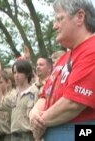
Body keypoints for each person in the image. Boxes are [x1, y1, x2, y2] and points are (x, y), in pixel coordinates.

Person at [29, 0, 95, 141]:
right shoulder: (63, 58)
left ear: (80, 17)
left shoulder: (92, 50)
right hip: (54, 130)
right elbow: (45, 95)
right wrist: (33, 113)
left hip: (79, 131)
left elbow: (73, 103)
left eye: (59, 19)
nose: (54, 26)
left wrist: (39, 123)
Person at [1, 60, 39, 141]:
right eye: (14, 72)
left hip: (29, 135)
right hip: (14, 135)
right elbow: (1, 106)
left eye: (19, 72)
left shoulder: (35, 92)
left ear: (27, 73)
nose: (16, 75)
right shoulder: (13, 93)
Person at [0, 69, 15, 141]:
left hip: (8, 135)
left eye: (0, 82)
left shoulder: (13, 94)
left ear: (8, 83)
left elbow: (1, 104)